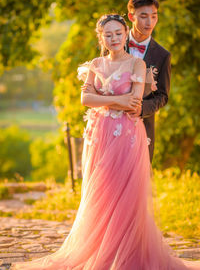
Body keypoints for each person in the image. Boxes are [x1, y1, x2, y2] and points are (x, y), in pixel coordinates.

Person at [11, 14, 200, 269]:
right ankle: (101, 248)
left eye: (118, 34)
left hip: (128, 136)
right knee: (102, 191)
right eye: (108, 35)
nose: (113, 39)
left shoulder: (137, 65)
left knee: (127, 194)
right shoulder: (96, 64)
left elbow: (132, 102)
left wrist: (107, 100)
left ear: (125, 34)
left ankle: (126, 252)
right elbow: (85, 99)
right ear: (101, 38)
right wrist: (117, 101)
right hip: (100, 135)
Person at [125, 0, 171, 162]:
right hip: (111, 124)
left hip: (143, 127)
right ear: (131, 16)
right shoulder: (113, 44)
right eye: (143, 16)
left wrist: (142, 109)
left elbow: (163, 96)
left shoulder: (162, 55)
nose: (149, 22)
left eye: (154, 16)